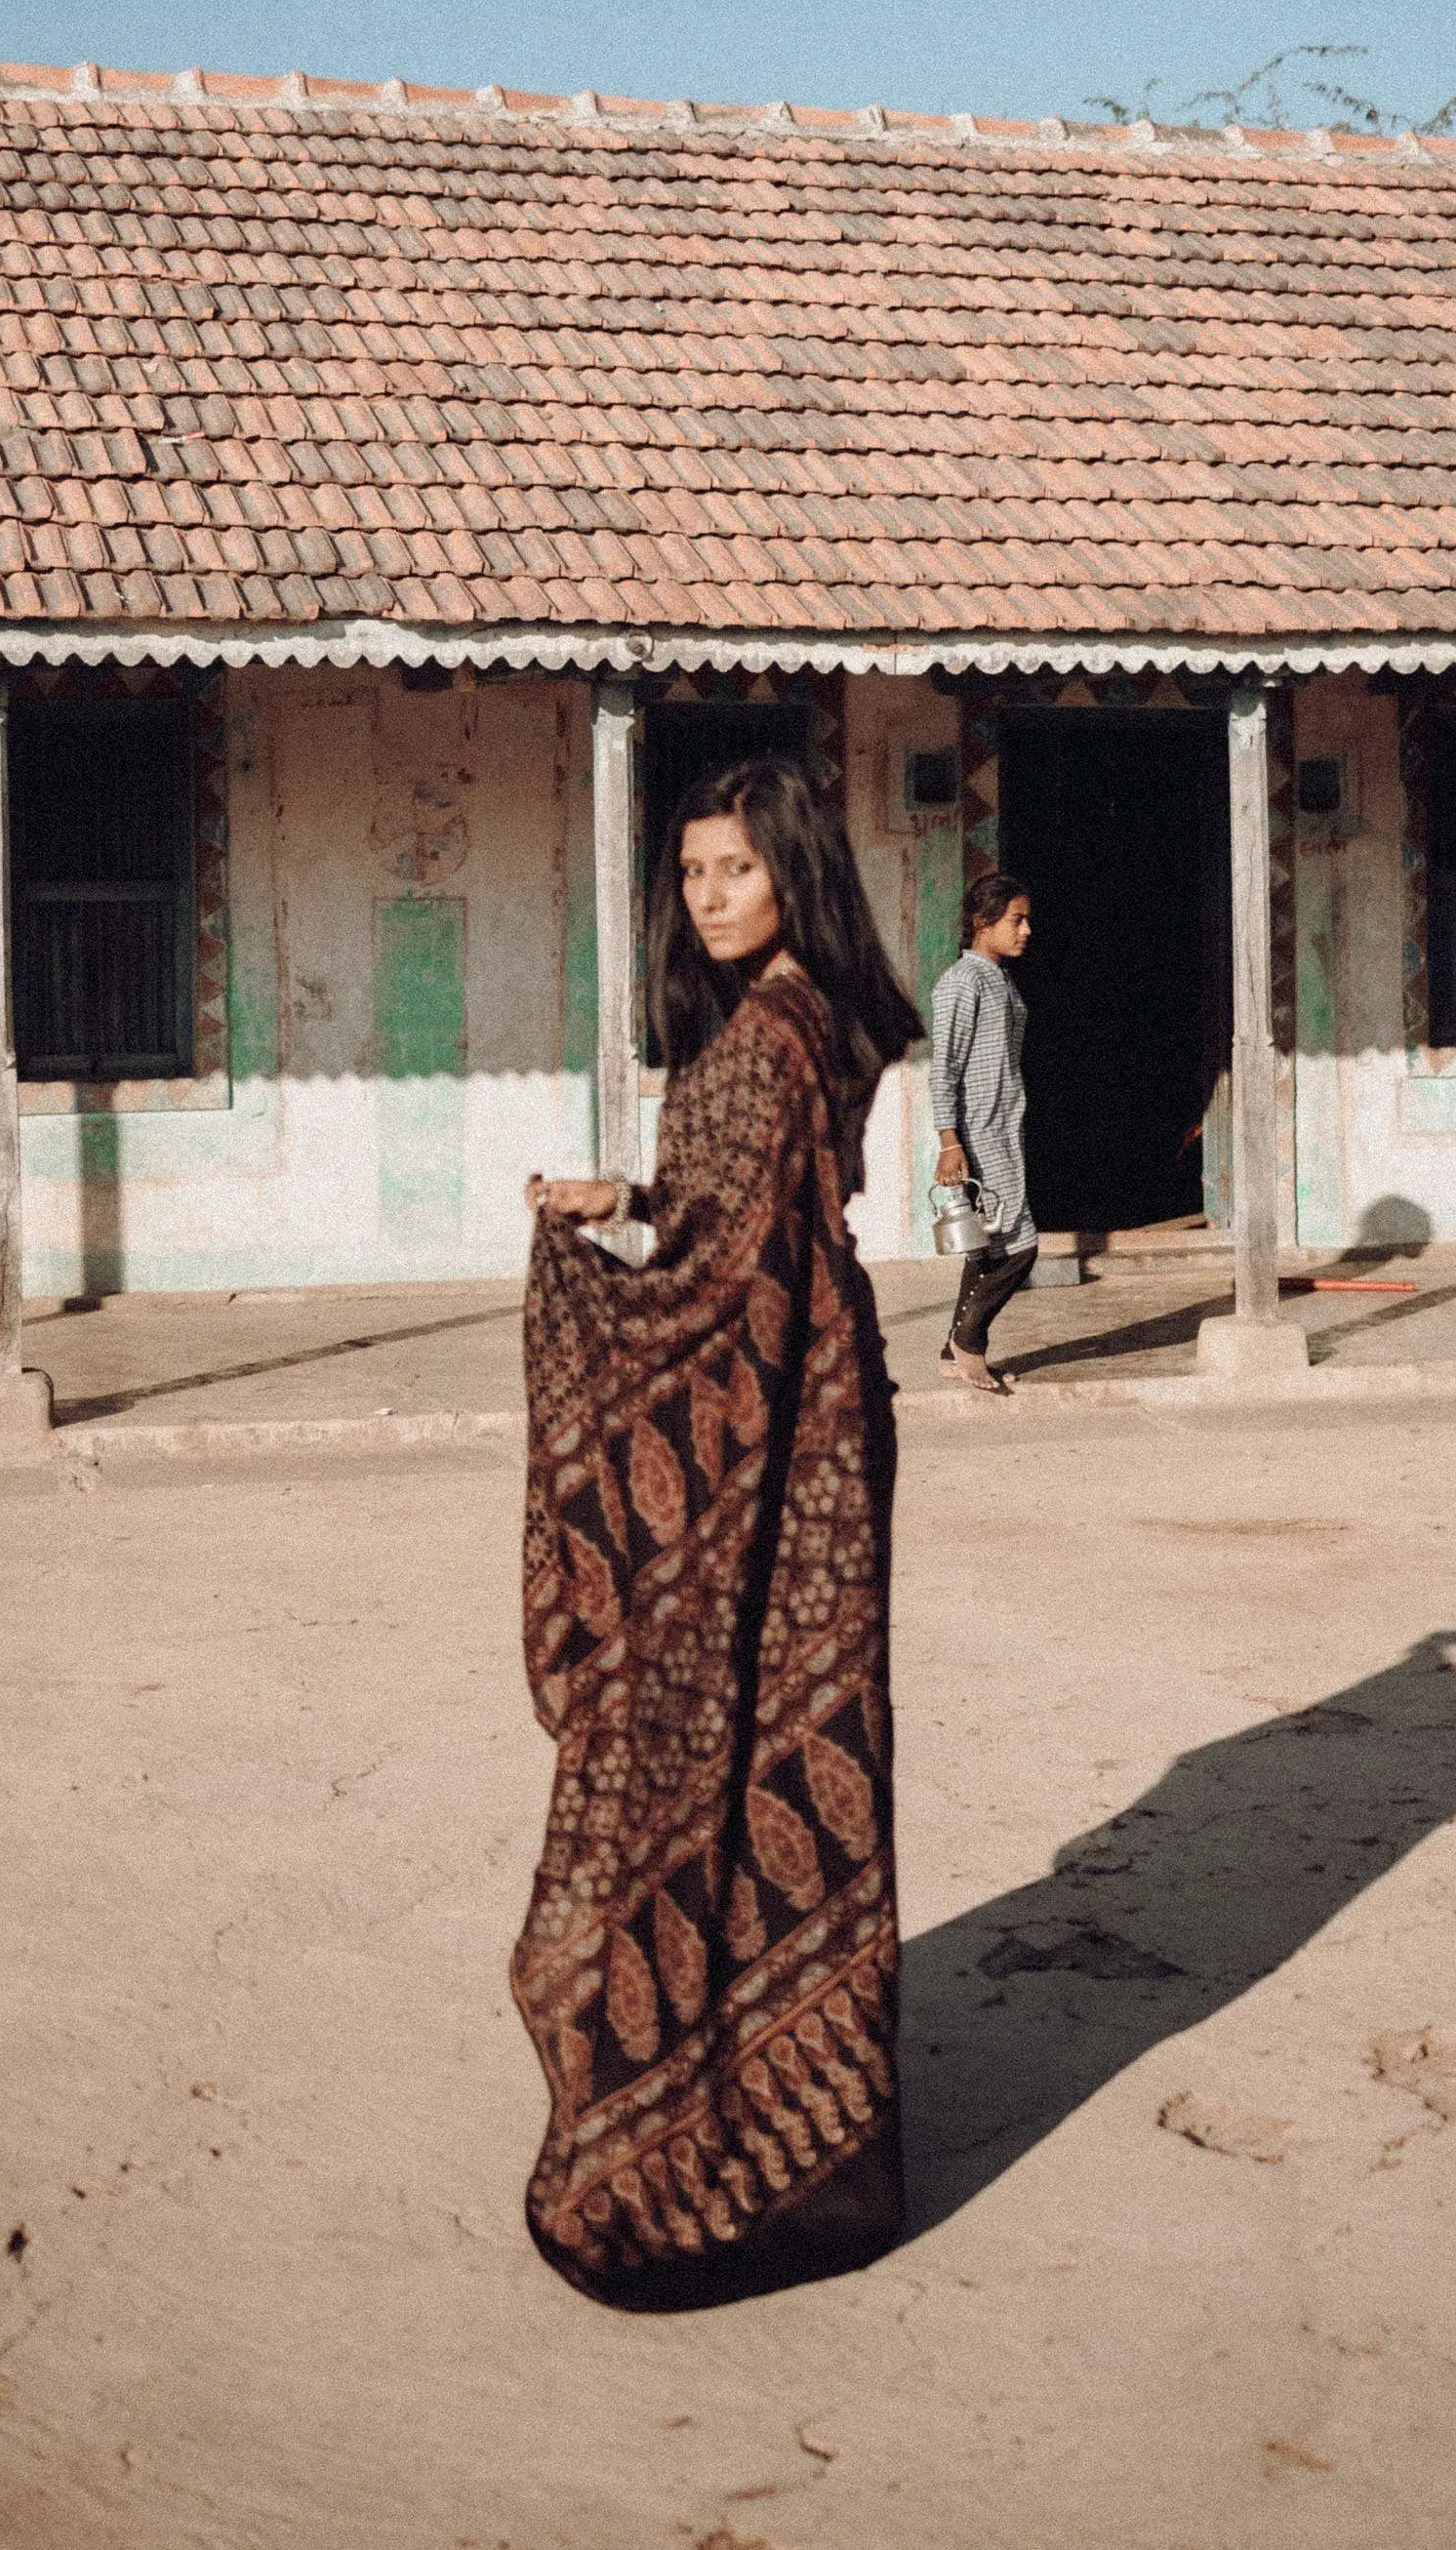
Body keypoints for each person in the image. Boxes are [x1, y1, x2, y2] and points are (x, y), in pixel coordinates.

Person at [514, 755, 920, 2311]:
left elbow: (714, 1257)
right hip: (824, 1414)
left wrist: (591, 1266)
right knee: (796, 1738)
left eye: (735, 869)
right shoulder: (831, 1018)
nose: (707, 896)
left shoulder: (762, 1037)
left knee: (709, 1744)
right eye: (690, 873)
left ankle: (707, 2133)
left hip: (766, 1441)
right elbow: (746, 1215)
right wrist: (635, 1190)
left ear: (791, 869)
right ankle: (822, 2131)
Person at [930, 870, 1036, 1393]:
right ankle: (969, 1342)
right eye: (1016, 920)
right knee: (1020, 1247)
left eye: (1025, 920)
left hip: (1003, 1126)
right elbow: (943, 1068)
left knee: (989, 1246)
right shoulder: (961, 983)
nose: (1026, 931)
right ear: (981, 922)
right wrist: (950, 1142)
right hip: (977, 1132)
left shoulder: (999, 980)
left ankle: (954, 1353)